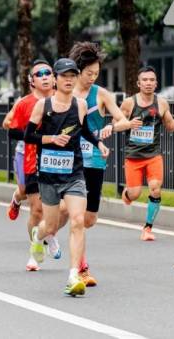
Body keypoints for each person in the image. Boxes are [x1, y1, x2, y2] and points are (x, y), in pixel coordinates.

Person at [24, 58, 109, 297]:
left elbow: (85, 131)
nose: (69, 80)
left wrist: (99, 143)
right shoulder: (43, 106)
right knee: (50, 226)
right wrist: (51, 139)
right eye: (64, 76)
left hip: (74, 173)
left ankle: (73, 275)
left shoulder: (80, 105)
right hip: (49, 175)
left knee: (78, 220)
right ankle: (38, 235)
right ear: (55, 79)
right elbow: (28, 136)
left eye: (73, 76)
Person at [65, 42, 139, 286]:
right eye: (89, 73)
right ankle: (81, 268)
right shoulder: (65, 92)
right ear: (78, 71)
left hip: (95, 158)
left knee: (89, 219)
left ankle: (49, 229)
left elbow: (123, 121)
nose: (92, 78)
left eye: (96, 73)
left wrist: (111, 127)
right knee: (77, 217)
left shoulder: (102, 94)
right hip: (70, 160)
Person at [120, 66, 174, 241]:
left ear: (156, 83)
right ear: (138, 83)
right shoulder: (129, 103)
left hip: (153, 155)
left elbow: (170, 127)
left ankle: (147, 229)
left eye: (151, 80)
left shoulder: (162, 103)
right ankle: (127, 194)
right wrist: (129, 124)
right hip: (133, 156)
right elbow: (115, 124)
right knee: (134, 194)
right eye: (145, 80)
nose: (148, 83)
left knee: (155, 188)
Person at [2, 59, 55, 271]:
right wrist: (34, 135)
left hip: (59, 159)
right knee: (34, 204)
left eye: (48, 72)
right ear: (31, 80)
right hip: (29, 155)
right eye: (39, 74)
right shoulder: (24, 103)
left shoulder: (65, 100)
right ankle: (35, 250)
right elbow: (10, 126)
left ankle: (48, 235)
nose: (44, 77)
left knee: (59, 209)